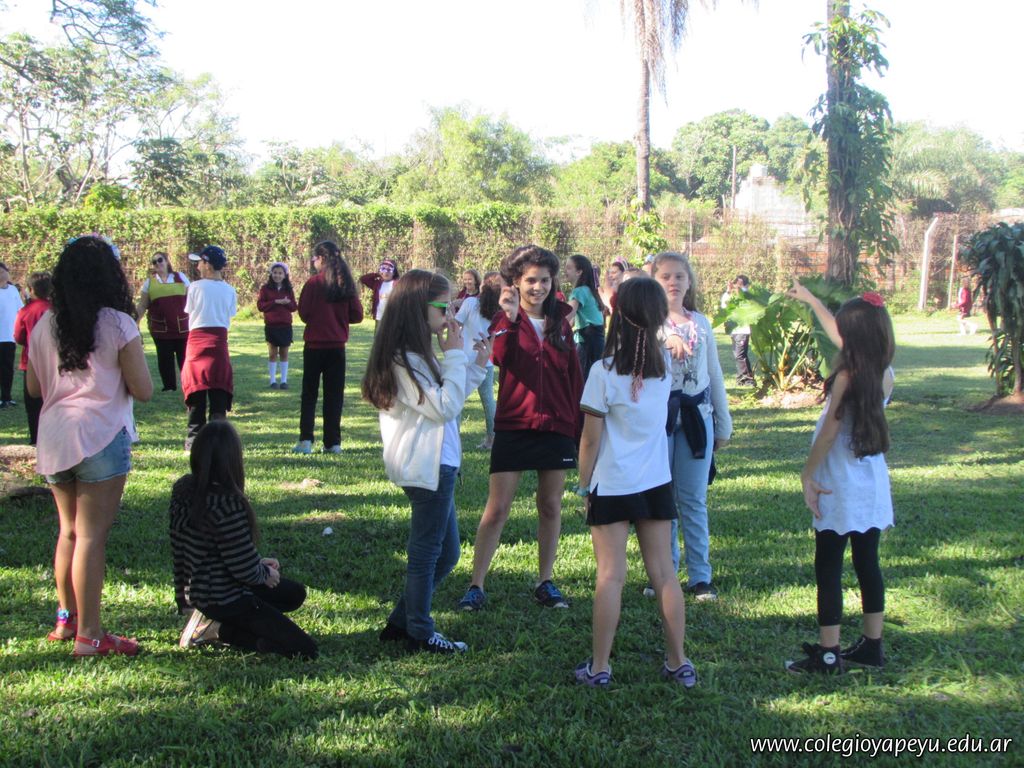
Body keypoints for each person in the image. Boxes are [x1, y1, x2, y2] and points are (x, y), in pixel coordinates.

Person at [27, 235, 153, 657]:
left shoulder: (45, 325)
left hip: (54, 437)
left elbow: (33, 387)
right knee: (91, 538)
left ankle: (66, 621)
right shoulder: (118, 324)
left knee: (68, 531)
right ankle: (91, 636)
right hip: (101, 435)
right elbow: (143, 389)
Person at [573, 277, 696, 688]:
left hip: (611, 485)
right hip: (656, 484)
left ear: (618, 314)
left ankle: (600, 668)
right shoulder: (664, 369)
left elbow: (590, 440)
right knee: (664, 575)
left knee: (610, 576)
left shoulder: (602, 372)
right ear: (660, 316)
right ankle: (679, 662)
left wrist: (583, 484)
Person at [362, 270, 491, 654]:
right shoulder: (404, 361)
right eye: (444, 306)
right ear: (419, 309)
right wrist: (454, 354)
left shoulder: (417, 356)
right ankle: (419, 631)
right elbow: (444, 407)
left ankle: (401, 622)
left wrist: (476, 365)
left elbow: (449, 400)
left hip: (438, 464)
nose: (451, 314)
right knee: (426, 554)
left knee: (447, 553)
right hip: (428, 467)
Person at [458, 245, 584, 612]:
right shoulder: (503, 320)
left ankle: (545, 581)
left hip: (556, 425)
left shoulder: (562, 322)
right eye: (530, 280)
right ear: (515, 282)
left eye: (544, 280)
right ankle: (476, 584)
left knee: (550, 505)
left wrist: (577, 428)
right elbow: (498, 358)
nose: (538, 287)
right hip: (515, 424)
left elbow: (574, 377)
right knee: (497, 508)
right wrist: (512, 319)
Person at [784, 281, 895, 674]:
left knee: (829, 566)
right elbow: (839, 333)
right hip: (871, 485)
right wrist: (813, 300)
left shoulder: (847, 376)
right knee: (868, 563)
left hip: (839, 483)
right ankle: (872, 646)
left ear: (854, 339)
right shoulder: (883, 372)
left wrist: (807, 474)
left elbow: (830, 432)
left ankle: (828, 653)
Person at [171, 420, 318, 659]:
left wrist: (257, 562)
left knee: (294, 593)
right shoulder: (226, 503)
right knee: (304, 650)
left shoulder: (184, 489)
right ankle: (218, 630)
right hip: (225, 598)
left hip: (199, 588)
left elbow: (217, 550)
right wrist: (263, 574)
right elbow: (243, 571)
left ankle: (228, 622)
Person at [652, 251, 732, 602]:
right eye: (665, 276)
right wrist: (663, 340)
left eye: (679, 276)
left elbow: (714, 373)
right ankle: (665, 572)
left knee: (693, 499)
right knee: (664, 498)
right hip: (660, 422)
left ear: (689, 282)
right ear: (654, 282)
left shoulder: (701, 323)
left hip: (697, 418)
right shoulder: (647, 324)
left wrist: (723, 423)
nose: (673, 282)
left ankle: (701, 576)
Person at [293, 241, 363, 454]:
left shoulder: (313, 283)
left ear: (321, 259)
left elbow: (304, 313)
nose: (313, 262)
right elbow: (357, 315)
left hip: (314, 346)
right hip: (337, 348)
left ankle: (306, 440)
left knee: (309, 394)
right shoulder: (345, 283)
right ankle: (332, 443)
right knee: (334, 396)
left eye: (314, 259)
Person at [182, 246, 237, 451]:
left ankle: (193, 439)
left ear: (208, 264)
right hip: (219, 343)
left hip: (197, 342)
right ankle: (219, 438)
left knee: (196, 389)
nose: (198, 266)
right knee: (219, 387)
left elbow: (191, 312)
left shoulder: (195, 287)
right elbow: (229, 315)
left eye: (200, 262)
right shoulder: (230, 290)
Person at [454, 270, 501, 450]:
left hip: (465, 358)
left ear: (483, 286)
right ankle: (492, 438)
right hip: (485, 359)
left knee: (457, 398)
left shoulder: (471, 302)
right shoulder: (498, 309)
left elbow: (456, 325)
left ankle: (453, 438)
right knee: (488, 400)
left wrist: (450, 312)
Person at [136, 252, 190, 392]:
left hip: (182, 326)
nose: (157, 264)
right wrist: (135, 321)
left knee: (185, 358)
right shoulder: (149, 283)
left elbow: (192, 298)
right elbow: (142, 305)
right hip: (160, 328)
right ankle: (169, 386)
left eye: (160, 260)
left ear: (166, 261)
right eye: (154, 262)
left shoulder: (181, 277)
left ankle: (188, 384)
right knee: (164, 358)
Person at [13, 271, 52, 445]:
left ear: (31, 289)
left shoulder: (26, 310)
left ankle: (35, 438)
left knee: (33, 402)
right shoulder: (56, 309)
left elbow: (18, 336)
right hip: (54, 361)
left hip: (31, 361)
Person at [564, 254, 606, 384]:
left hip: (589, 341)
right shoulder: (588, 290)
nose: (565, 271)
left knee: (581, 380)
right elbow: (571, 321)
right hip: (596, 339)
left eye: (569, 268)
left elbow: (567, 315)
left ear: (579, 272)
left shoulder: (579, 291)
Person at [256, 262, 297, 389]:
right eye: (275, 273)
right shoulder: (265, 289)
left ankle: (284, 381)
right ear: (271, 274)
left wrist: (286, 303)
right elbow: (261, 306)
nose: (277, 275)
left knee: (284, 353)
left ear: (285, 275)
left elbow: (294, 307)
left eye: (280, 273)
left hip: (285, 326)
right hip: (271, 326)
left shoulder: (288, 289)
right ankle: (272, 381)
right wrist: (276, 301)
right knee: (272, 353)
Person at [722, 275, 755, 386]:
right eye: (737, 283)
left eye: (740, 284)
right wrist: (728, 291)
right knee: (738, 355)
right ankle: (742, 378)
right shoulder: (730, 294)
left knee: (740, 355)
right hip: (734, 330)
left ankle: (748, 379)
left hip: (743, 330)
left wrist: (736, 290)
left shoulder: (746, 295)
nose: (738, 286)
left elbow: (745, 296)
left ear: (746, 285)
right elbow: (724, 305)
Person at [0, 260, 24, 408]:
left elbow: (20, 310)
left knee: (7, 369)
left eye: (3, 271)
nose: (2, 274)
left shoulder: (13, 290)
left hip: (9, 337)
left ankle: (6, 398)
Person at [359, 259, 400, 328]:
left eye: (389, 270)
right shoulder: (377, 284)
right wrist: (377, 274)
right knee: (378, 334)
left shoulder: (397, 284)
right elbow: (363, 279)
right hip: (379, 316)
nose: (386, 272)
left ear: (394, 273)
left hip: (392, 317)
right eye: (383, 269)